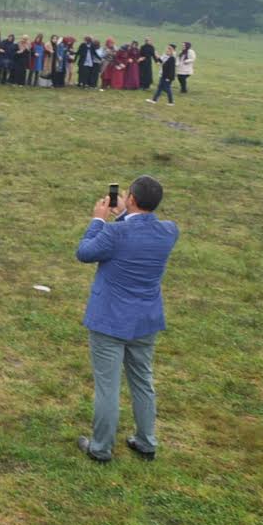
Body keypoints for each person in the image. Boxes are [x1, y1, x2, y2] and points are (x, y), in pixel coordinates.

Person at [74, 176, 178, 463]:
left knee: (108, 386)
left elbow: (85, 252)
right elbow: (137, 233)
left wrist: (98, 220)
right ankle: (146, 441)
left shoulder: (114, 234)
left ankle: (100, 448)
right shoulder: (169, 231)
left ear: (131, 198)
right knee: (142, 381)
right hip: (145, 320)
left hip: (109, 320)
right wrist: (123, 215)